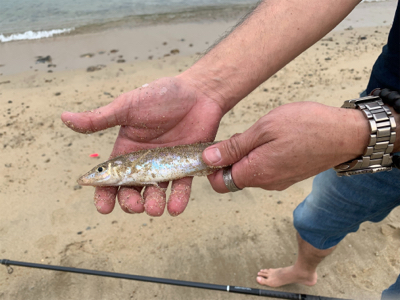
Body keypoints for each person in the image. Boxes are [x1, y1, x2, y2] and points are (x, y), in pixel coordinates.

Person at [61, 0, 400, 298]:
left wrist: (359, 133)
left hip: (368, 128)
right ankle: (303, 269)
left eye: (101, 170)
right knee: (318, 216)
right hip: (379, 103)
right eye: (100, 170)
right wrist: (205, 86)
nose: (96, 175)